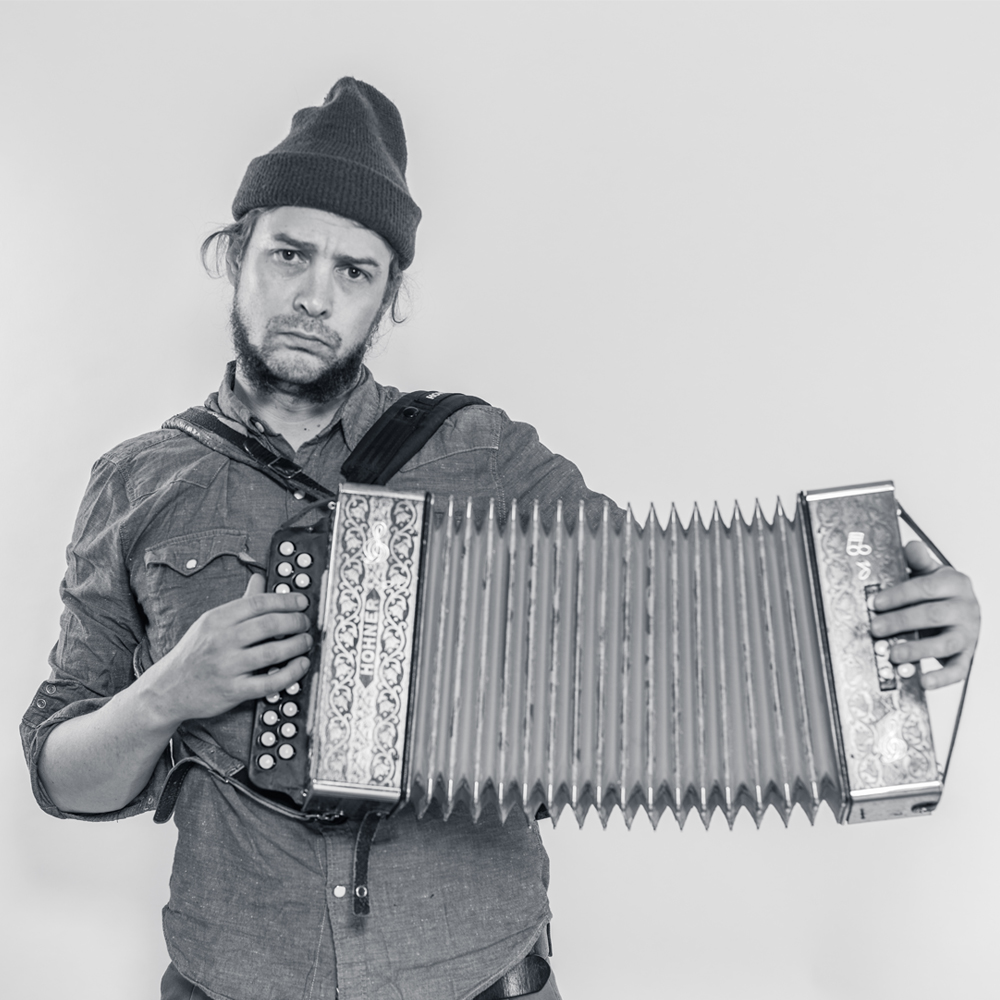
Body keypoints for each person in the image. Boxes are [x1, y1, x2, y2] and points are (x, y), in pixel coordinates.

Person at [20, 78, 980, 1000]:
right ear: (236, 255)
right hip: (232, 978)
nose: (314, 295)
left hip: (481, 976)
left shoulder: (481, 451)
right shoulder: (138, 481)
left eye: (354, 270)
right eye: (289, 254)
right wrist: (165, 694)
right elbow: (62, 779)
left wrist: (894, 632)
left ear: (390, 296)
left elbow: (682, 619)